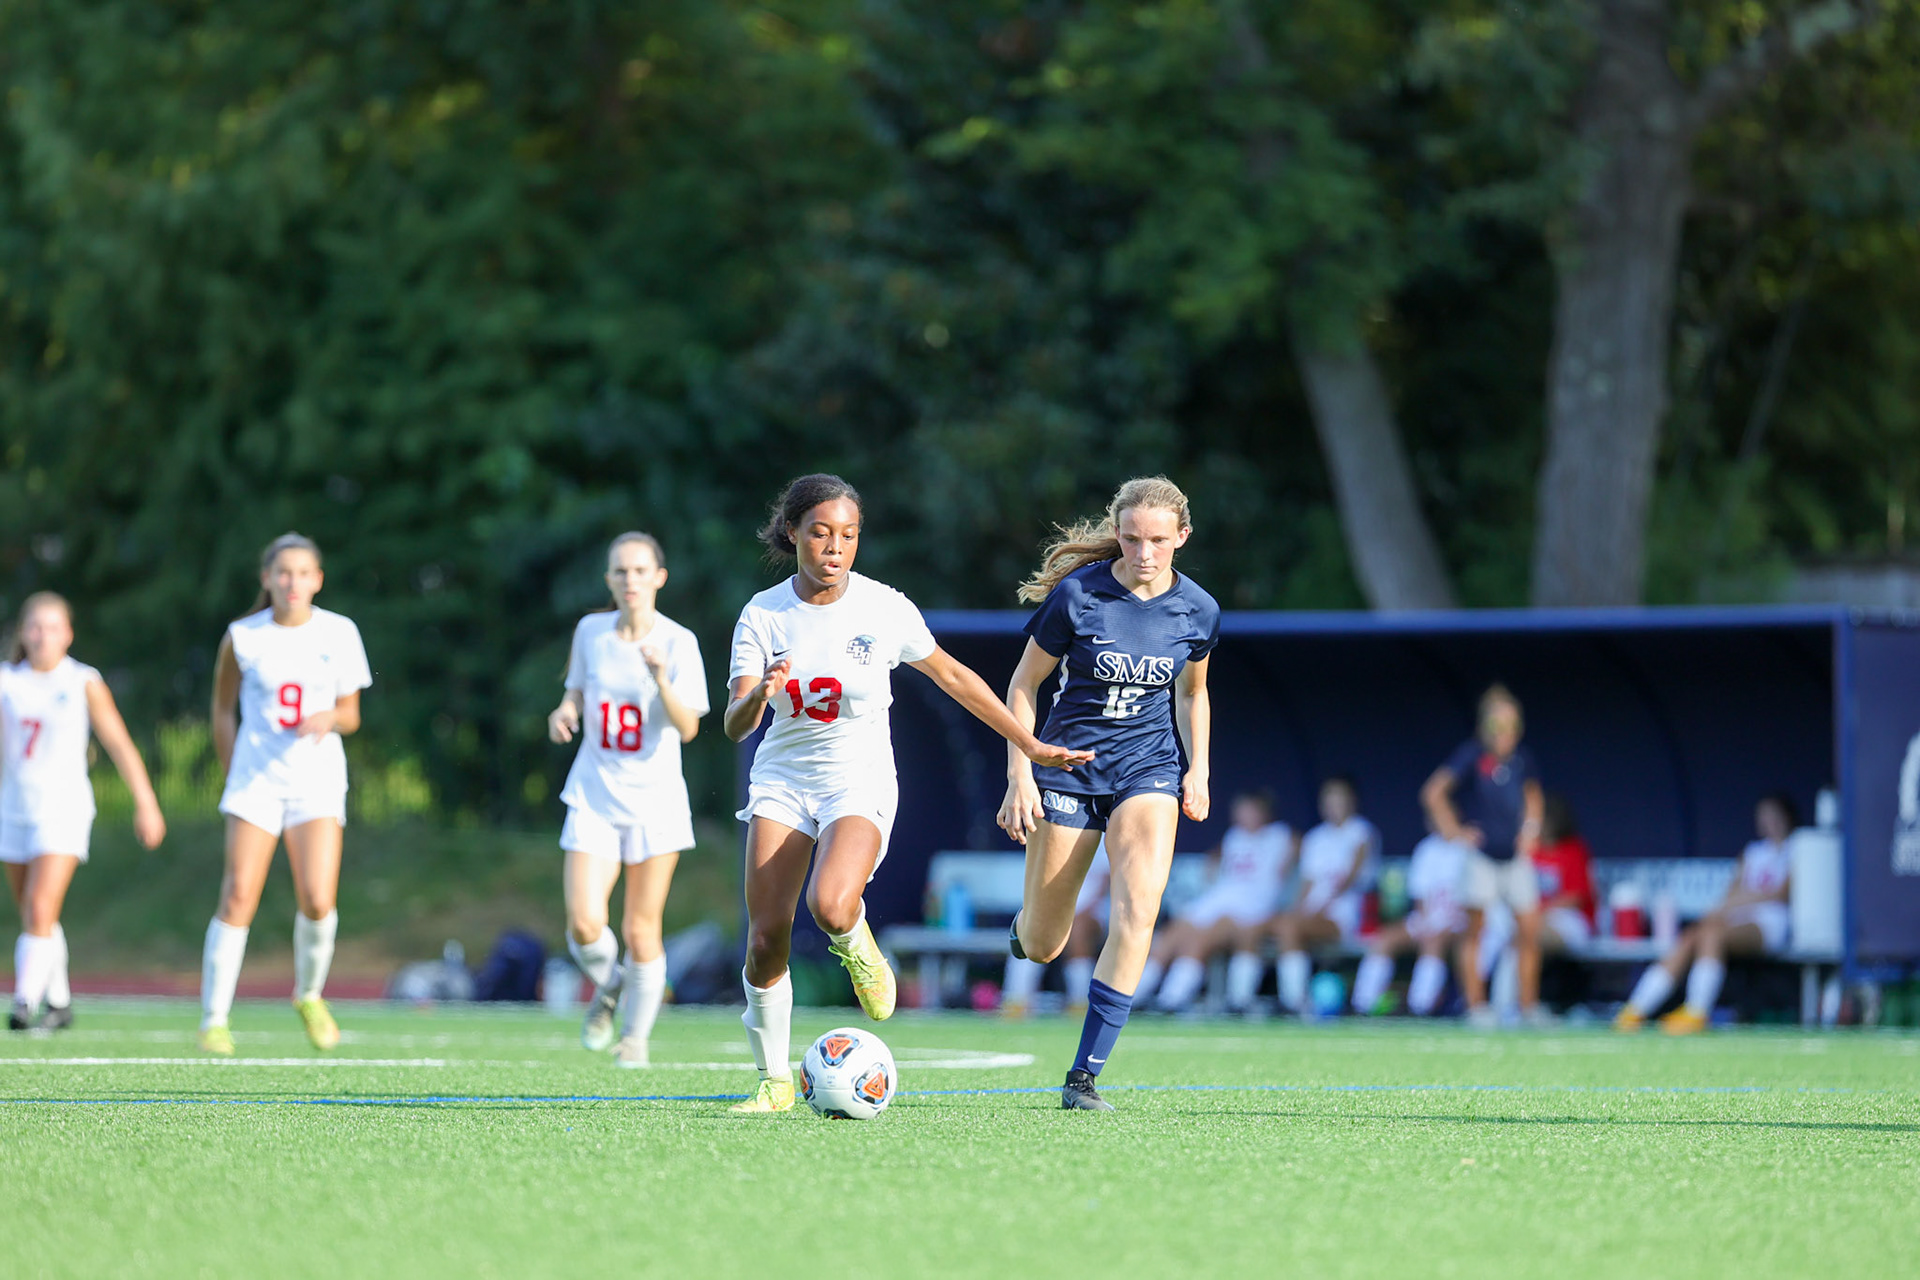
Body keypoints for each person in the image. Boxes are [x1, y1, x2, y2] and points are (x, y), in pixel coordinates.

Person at [724, 474, 1089, 1114]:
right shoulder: (763, 614)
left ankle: (859, 944)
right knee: (763, 940)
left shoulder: (884, 606)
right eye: (820, 533)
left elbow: (954, 676)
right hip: (782, 779)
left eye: (848, 535)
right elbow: (735, 725)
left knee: (833, 905)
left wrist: (1027, 745)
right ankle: (774, 1080)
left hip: (858, 778)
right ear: (792, 533)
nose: (835, 547)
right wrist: (757, 694)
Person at [999, 476, 1218, 1111]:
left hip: (1147, 768)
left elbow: (1194, 691)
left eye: (1157, 540)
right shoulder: (1078, 596)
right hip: (1068, 767)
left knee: (1139, 912)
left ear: (1181, 536)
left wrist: (1197, 768)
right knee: (1043, 945)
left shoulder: (1198, 610)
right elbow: (1021, 687)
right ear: (1116, 534)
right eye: (1130, 539)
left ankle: (1084, 1077)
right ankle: (1024, 927)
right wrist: (1020, 773)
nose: (1144, 553)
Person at [199, 533, 372, 1056]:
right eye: (283, 573)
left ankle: (310, 995)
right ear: (266, 579)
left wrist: (331, 717)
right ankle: (214, 1020)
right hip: (257, 785)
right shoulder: (243, 637)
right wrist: (234, 771)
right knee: (238, 896)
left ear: (318, 579)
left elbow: (352, 715)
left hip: (316, 783)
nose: (292, 582)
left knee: (319, 899)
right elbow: (222, 710)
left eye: (303, 573)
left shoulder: (340, 632)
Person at [547, 532, 708, 1068]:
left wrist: (661, 678)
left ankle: (634, 1039)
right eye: (620, 571)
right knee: (584, 925)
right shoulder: (591, 632)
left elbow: (687, 727)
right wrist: (566, 711)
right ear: (609, 579)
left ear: (659, 577)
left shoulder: (679, 642)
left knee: (641, 929)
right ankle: (612, 985)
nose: (630, 581)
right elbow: (575, 690)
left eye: (640, 571)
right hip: (594, 794)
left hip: (656, 801)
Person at [2, 593, 166, 1030]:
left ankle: (23, 1001)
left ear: (68, 634)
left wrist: (145, 802)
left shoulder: (81, 681)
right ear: (23, 631)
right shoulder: (6, 681)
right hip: (13, 807)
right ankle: (60, 1003)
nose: (42, 635)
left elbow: (118, 743)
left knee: (39, 907)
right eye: (35, 626)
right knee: (36, 914)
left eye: (53, 627)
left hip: (64, 808)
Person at [1615, 794, 1797, 1034]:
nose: (1768, 821)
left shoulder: (1798, 847)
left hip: (1771, 922)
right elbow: (1732, 891)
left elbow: (1781, 894)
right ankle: (1636, 1009)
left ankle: (1697, 1012)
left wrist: (1741, 901)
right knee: (1692, 934)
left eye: (1774, 814)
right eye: (1763, 815)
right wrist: (1719, 911)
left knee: (1712, 935)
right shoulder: (1753, 852)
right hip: (1739, 918)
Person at [1420, 684, 1544, 1027]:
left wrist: (1531, 830)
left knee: (1529, 930)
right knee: (1475, 932)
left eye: (1512, 726)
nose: (1506, 734)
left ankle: (1528, 1008)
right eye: (1497, 726)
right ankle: (1477, 1009)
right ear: (1484, 727)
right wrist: (1454, 832)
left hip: (1515, 859)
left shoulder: (1523, 759)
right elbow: (1433, 792)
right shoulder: (1471, 756)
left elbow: (1534, 797)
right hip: (1482, 859)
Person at [1138, 791, 1291, 1015]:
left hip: (1250, 906)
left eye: (1249, 810)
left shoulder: (1280, 835)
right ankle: (1136, 996)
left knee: (1202, 937)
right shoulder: (1235, 836)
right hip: (1221, 898)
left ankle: (1172, 999)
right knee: (1174, 931)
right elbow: (1221, 856)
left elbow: (1293, 849)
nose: (1243, 816)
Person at [1267, 777, 1378, 1016]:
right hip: (1313, 914)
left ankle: (1295, 1001)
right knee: (1282, 925)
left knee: (1289, 928)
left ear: (1352, 801)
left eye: (1339, 798)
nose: (1334, 804)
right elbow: (1307, 884)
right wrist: (1298, 911)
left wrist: (1316, 910)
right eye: (1329, 798)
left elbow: (1351, 879)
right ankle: (1291, 999)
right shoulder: (1315, 837)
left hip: (1345, 915)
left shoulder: (1362, 832)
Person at [1351, 829, 1468, 1017]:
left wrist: (1443, 923)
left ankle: (1419, 1008)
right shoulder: (1427, 848)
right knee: (1384, 939)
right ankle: (1363, 1006)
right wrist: (1426, 922)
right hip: (1427, 919)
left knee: (1433, 941)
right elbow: (1419, 895)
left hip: (1458, 922)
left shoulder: (1468, 844)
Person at [1001, 839, 1109, 1017]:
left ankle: (1080, 1003)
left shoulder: (1104, 834)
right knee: (1030, 929)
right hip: (1054, 909)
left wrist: (1070, 914)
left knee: (1078, 931)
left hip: (1094, 913)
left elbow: (1105, 884)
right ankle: (1016, 1003)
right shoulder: (1056, 830)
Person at [1534, 793, 1596, 952]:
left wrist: (1542, 910)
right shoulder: (1530, 848)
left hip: (1570, 919)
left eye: (1539, 817)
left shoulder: (1573, 850)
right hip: (1534, 917)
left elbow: (1576, 898)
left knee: (1531, 935)